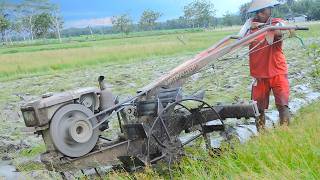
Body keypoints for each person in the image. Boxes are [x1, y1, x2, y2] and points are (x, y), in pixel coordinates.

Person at [239, 0, 294, 130]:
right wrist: (251, 27)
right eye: (257, 11)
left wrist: (264, 28)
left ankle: (286, 133)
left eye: (263, 10)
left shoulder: (276, 23)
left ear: (270, 10)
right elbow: (240, 39)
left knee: (282, 105)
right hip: (259, 75)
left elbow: (285, 30)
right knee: (258, 109)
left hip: (277, 72)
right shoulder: (249, 27)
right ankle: (262, 136)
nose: (260, 13)